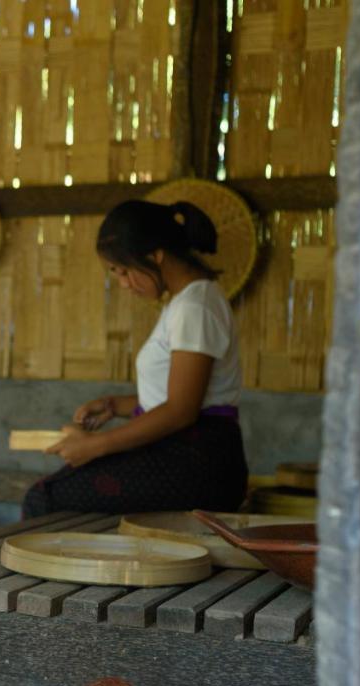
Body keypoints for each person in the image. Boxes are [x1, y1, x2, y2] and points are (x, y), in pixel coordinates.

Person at [22, 199, 249, 517]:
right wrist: (115, 405)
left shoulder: (195, 308)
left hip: (198, 464)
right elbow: (177, 398)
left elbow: (181, 411)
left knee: (45, 499)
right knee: (53, 494)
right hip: (185, 455)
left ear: (156, 255)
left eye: (124, 271)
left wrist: (94, 446)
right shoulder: (185, 303)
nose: (124, 284)